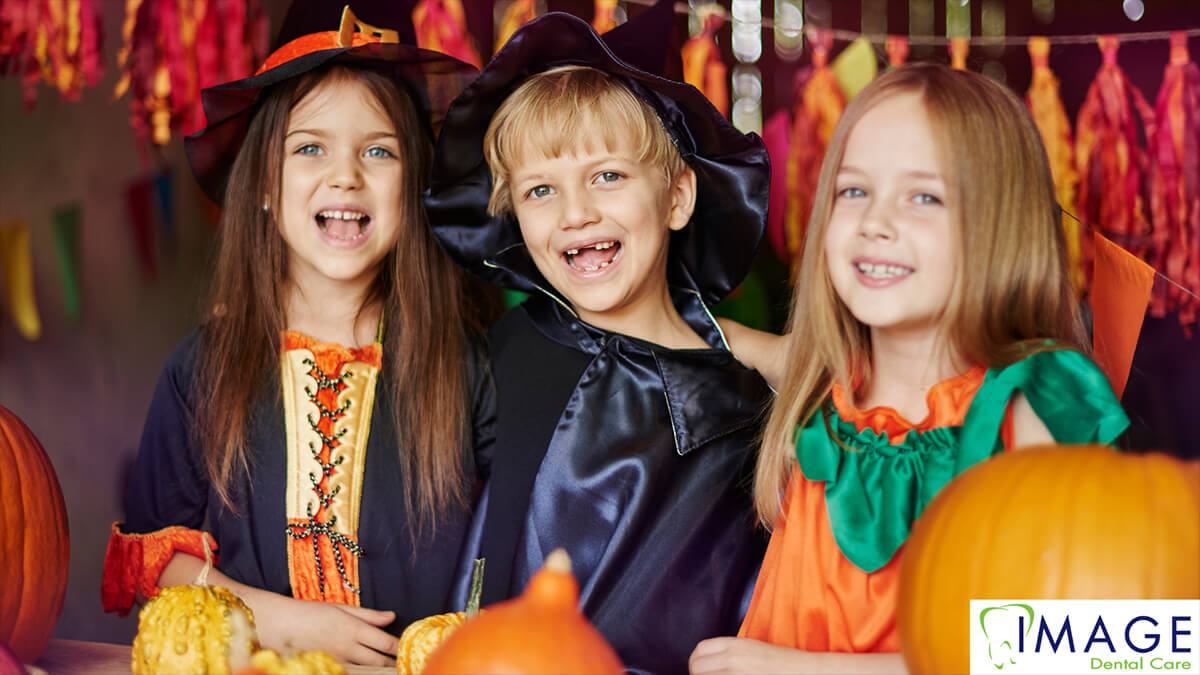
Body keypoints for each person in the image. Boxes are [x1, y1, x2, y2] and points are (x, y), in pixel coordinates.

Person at [689, 63, 1130, 674]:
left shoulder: (1030, 407)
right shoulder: (820, 380)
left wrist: (797, 669)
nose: (876, 222)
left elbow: (1097, 652)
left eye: (923, 196)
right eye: (854, 191)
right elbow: (709, 335)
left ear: (999, 228)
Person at [100, 6, 493, 666]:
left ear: (413, 186)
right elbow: (155, 565)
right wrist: (286, 622)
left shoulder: (472, 370)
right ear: (262, 186)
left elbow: (516, 553)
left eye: (378, 150)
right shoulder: (202, 368)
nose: (346, 175)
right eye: (310, 147)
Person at [423, 4, 772, 673]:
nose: (577, 213)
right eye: (540, 191)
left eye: (607, 176)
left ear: (676, 198)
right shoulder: (504, 357)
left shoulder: (746, 410)